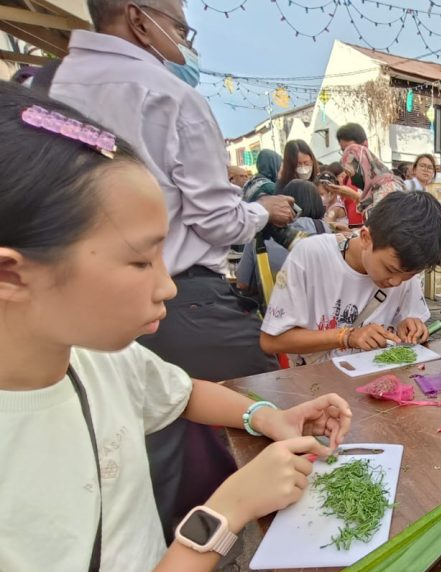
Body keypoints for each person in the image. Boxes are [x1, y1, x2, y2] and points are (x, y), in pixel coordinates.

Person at [0, 81, 352, 572]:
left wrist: (268, 419)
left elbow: (181, 391)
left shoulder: (94, 356)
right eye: (140, 261)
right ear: (12, 272)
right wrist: (226, 511)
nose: (167, 286)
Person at [50, 0, 296, 533]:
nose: (185, 42)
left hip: (92, 311)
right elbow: (214, 221)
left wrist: (260, 415)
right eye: (181, 27)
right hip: (191, 308)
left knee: (141, 433)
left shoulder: (50, 86)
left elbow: (176, 391)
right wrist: (256, 210)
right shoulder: (171, 96)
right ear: (141, 19)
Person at [260, 191, 441, 366]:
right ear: (366, 237)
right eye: (389, 269)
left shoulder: (404, 267)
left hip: (379, 382)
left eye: (410, 275)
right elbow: (272, 341)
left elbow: (409, 319)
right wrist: (346, 337)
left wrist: (410, 325)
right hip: (320, 386)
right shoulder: (311, 255)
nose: (396, 282)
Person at [236, 182, 334, 298]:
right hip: (312, 309)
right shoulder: (323, 229)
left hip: (270, 310)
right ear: (317, 203)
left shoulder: (260, 230)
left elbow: (242, 283)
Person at [336, 122, 404, 214]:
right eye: (343, 151)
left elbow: (385, 224)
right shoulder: (370, 187)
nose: (346, 158)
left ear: (365, 145)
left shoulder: (387, 186)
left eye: (351, 150)